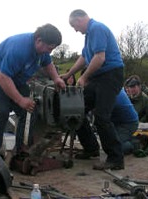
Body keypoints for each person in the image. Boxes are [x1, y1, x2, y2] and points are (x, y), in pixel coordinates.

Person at [0, 24, 66, 153]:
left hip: (16, 78)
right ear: (39, 40)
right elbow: (3, 78)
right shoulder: (19, 49)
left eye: (52, 49)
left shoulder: (41, 50)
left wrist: (56, 78)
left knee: (29, 111)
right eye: (49, 48)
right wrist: (20, 100)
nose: (49, 52)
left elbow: (47, 63)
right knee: (1, 111)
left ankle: (21, 149)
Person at [61, 9, 125, 170]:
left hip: (110, 76)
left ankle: (116, 158)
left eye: (74, 26)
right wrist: (69, 73)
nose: (75, 30)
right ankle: (91, 148)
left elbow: (100, 58)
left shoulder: (97, 28)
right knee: (77, 111)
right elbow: (84, 58)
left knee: (102, 116)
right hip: (99, 77)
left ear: (79, 19)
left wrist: (84, 77)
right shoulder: (89, 35)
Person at [76, 88, 139, 157]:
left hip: (128, 124)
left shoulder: (107, 92)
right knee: (109, 143)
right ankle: (125, 138)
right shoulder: (108, 85)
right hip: (116, 121)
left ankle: (136, 142)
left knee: (116, 148)